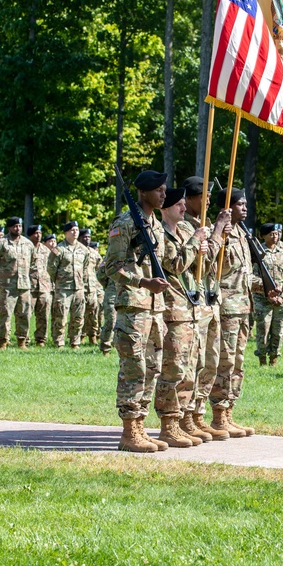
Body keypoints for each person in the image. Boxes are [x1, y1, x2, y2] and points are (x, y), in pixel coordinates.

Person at [104, 170, 171, 452]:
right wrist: (143, 282)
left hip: (155, 308)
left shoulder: (155, 223)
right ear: (143, 193)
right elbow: (110, 267)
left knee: (152, 368)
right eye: (158, 190)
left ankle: (141, 427)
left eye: (164, 189)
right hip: (133, 305)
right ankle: (129, 431)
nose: (164, 194)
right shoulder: (126, 222)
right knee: (134, 368)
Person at [211, 187, 279, 437]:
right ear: (227, 208)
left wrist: (264, 286)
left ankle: (229, 412)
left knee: (238, 362)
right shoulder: (220, 233)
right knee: (225, 361)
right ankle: (218, 415)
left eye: (245, 204)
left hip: (243, 307)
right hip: (227, 307)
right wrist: (222, 237)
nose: (245, 208)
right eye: (240, 204)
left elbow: (243, 276)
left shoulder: (242, 234)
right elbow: (219, 270)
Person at [155, 186, 216, 447]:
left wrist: (200, 248)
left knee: (192, 367)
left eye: (183, 203)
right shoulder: (161, 235)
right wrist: (195, 243)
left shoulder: (182, 234)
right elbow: (174, 264)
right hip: (173, 310)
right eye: (178, 204)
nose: (183, 208)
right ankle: (169, 424)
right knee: (174, 368)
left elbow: (195, 267)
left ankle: (183, 419)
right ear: (165, 208)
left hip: (190, 308)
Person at [182, 175, 231, 441]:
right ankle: (186, 415)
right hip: (194, 303)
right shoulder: (186, 226)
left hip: (211, 300)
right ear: (189, 198)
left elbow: (219, 267)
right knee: (194, 363)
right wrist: (216, 232)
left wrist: (221, 233)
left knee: (210, 361)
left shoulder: (208, 225)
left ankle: (199, 413)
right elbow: (201, 260)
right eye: (204, 195)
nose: (210, 200)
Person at [0, 216, 36, 349]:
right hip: (7, 285)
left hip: (24, 286)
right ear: (9, 228)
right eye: (15, 226)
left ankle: (22, 341)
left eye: (19, 226)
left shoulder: (27, 244)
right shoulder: (1, 243)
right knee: (5, 315)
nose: (18, 228)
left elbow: (34, 262)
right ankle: (3, 341)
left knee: (24, 315)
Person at [253, 223, 283, 366]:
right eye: (271, 234)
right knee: (263, 330)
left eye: (276, 234)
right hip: (263, 299)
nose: (274, 236)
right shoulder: (257, 253)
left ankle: (274, 358)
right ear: (263, 236)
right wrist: (268, 295)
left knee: (278, 331)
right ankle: (262, 360)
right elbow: (253, 276)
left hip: (281, 300)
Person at [48, 221, 88, 349]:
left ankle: (75, 342)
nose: (75, 232)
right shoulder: (58, 250)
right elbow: (51, 268)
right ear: (66, 233)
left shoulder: (83, 250)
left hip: (79, 288)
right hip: (63, 288)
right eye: (72, 230)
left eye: (76, 229)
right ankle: (59, 342)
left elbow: (85, 267)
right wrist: (59, 281)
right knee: (60, 317)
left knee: (78, 317)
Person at [27, 226, 53, 347]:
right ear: (30, 235)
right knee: (26, 314)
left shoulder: (46, 250)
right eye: (36, 233)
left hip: (44, 286)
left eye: (40, 233)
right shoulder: (25, 247)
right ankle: (24, 339)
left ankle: (41, 339)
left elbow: (51, 268)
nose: (38, 235)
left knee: (43, 315)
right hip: (28, 286)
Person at [80, 228, 104, 345]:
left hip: (92, 287)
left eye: (89, 237)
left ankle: (93, 336)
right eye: (84, 237)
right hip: (79, 286)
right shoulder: (77, 251)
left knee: (93, 313)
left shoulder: (95, 254)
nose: (87, 239)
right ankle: (80, 337)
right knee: (79, 314)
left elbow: (100, 270)